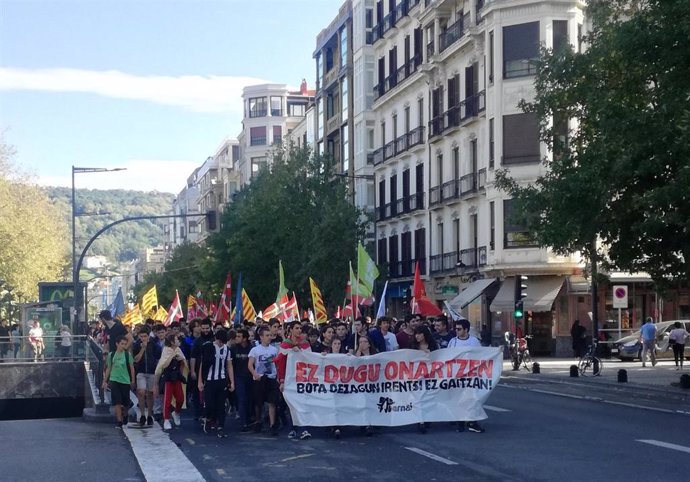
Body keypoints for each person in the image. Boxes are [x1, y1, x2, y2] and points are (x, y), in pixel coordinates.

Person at [275, 321, 312, 440]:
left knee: (301, 404)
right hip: (289, 379)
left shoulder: (305, 344)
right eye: (296, 328)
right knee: (291, 405)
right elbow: (280, 363)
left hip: (302, 379)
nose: (299, 330)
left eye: (300, 328)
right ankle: (293, 428)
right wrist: (281, 380)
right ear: (290, 329)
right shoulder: (285, 344)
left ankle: (303, 429)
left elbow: (311, 360)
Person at [448, 319, 486, 433]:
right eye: (456, 329)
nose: (457, 331)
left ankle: (472, 422)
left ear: (466, 330)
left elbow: (482, 356)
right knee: (458, 399)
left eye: (459, 329)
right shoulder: (453, 342)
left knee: (472, 399)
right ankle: (460, 423)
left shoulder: (474, 342)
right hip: (457, 375)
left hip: (471, 375)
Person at [198, 329, 234, 438]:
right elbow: (202, 365)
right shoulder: (208, 347)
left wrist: (232, 382)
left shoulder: (227, 350)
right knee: (209, 404)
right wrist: (200, 381)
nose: (221, 344)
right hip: (209, 380)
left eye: (223, 342)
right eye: (220, 342)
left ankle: (221, 427)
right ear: (216, 339)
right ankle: (208, 418)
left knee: (221, 405)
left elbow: (229, 365)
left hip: (222, 380)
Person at [248, 326, 280, 435]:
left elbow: (277, 364)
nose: (269, 337)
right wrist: (255, 374)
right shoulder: (255, 350)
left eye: (270, 335)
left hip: (271, 378)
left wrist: (278, 377)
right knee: (258, 402)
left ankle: (272, 424)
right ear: (261, 337)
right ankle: (258, 421)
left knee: (272, 402)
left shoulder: (274, 350)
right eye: (267, 335)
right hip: (260, 379)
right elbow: (250, 364)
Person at [156, 333, 188, 431]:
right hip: (168, 378)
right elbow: (164, 365)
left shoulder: (178, 350)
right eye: (176, 339)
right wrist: (173, 355)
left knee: (180, 398)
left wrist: (182, 359)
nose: (178, 341)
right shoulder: (166, 350)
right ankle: (166, 419)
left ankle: (176, 412)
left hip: (177, 377)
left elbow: (184, 362)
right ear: (172, 342)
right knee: (167, 400)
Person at [103, 335, 136, 428]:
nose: (123, 346)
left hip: (125, 381)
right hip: (114, 380)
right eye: (122, 344)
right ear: (117, 344)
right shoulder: (111, 355)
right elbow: (109, 368)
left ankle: (125, 415)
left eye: (125, 344)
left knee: (126, 402)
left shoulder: (127, 355)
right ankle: (119, 421)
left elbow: (132, 368)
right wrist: (105, 380)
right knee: (117, 401)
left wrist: (132, 381)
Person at [133, 325, 161, 427]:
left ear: (148, 336)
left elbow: (158, 358)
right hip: (140, 372)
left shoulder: (154, 345)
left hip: (151, 372)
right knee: (141, 392)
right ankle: (142, 415)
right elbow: (136, 359)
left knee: (150, 394)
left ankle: (149, 415)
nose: (143, 338)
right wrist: (142, 349)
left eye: (145, 336)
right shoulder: (136, 345)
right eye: (141, 336)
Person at [189, 318, 214, 421]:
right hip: (200, 371)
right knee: (197, 393)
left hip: (213, 371)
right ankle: (198, 413)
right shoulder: (197, 341)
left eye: (207, 328)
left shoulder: (215, 339)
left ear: (210, 327)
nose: (205, 330)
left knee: (211, 394)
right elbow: (193, 357)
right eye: (203, 328)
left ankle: (210, 414)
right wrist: (193, 371)